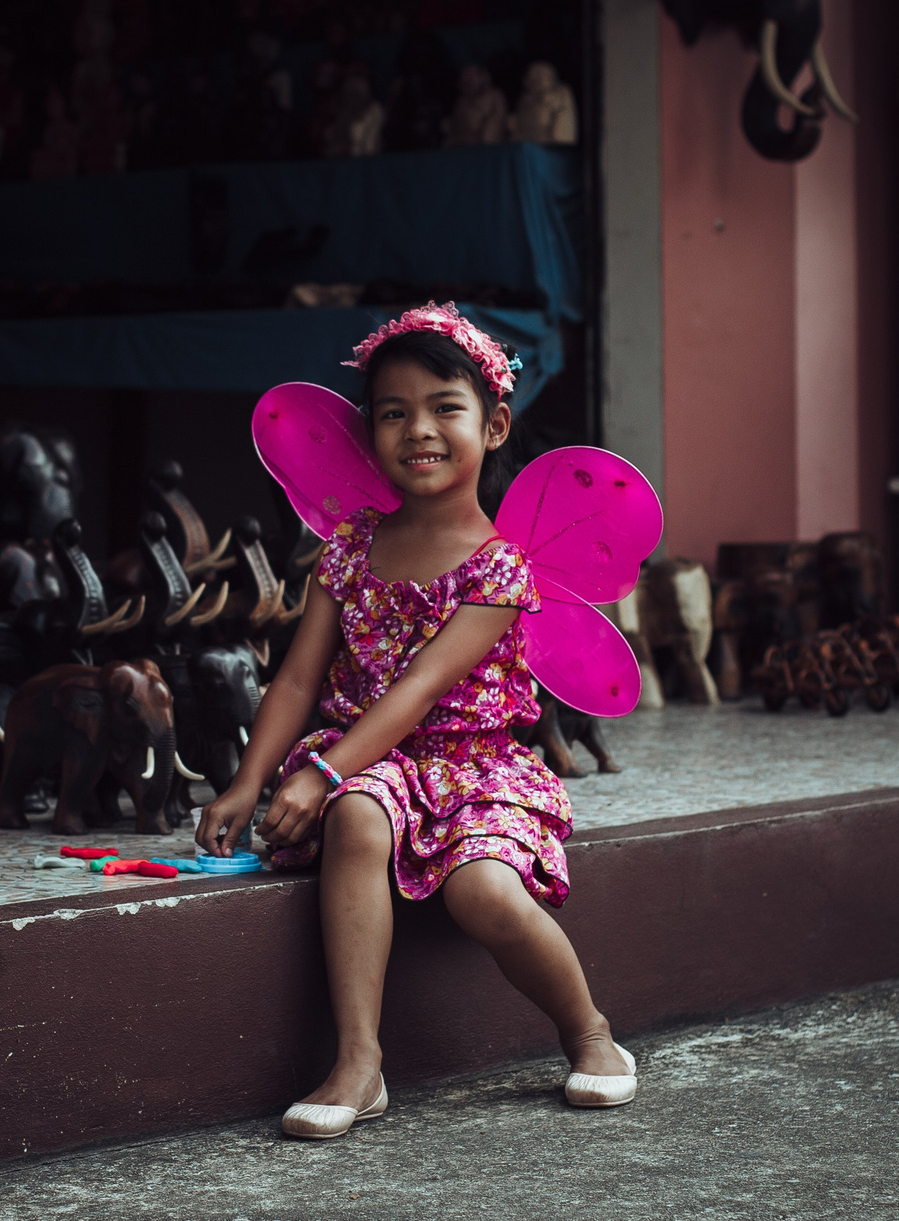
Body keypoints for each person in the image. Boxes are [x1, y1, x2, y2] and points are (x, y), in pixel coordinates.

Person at [196, 306, 637, 1140]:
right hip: (371, 763)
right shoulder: (349, 549)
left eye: (444, 407)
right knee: (358, 815)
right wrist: (248, 781)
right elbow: (297, 678)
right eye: (393, 413)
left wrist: (319, 772)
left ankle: (589, 1031)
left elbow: (421, 690)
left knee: (485, 893)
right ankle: (359, 1062)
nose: (418, 430)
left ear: (494, 424)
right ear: (369, 435)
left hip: (474, 768)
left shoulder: (500, 566)